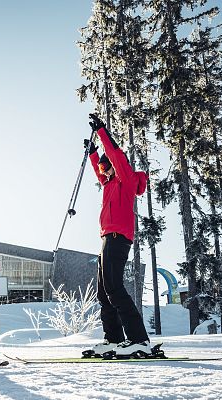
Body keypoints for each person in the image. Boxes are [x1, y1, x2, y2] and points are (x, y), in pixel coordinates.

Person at [84, 113, 154, 358]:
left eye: (106, 166)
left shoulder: (125, 179)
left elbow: (117, 156)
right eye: (102, 168)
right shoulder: (109, 183)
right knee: (104, 291)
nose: (103, 171)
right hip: (106, 238)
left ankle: (139, 340)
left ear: (115, 166)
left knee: (114, 287)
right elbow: (99, 171)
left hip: (118, 237)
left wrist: (102, 132)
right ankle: (114, 339)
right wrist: (93, 154)